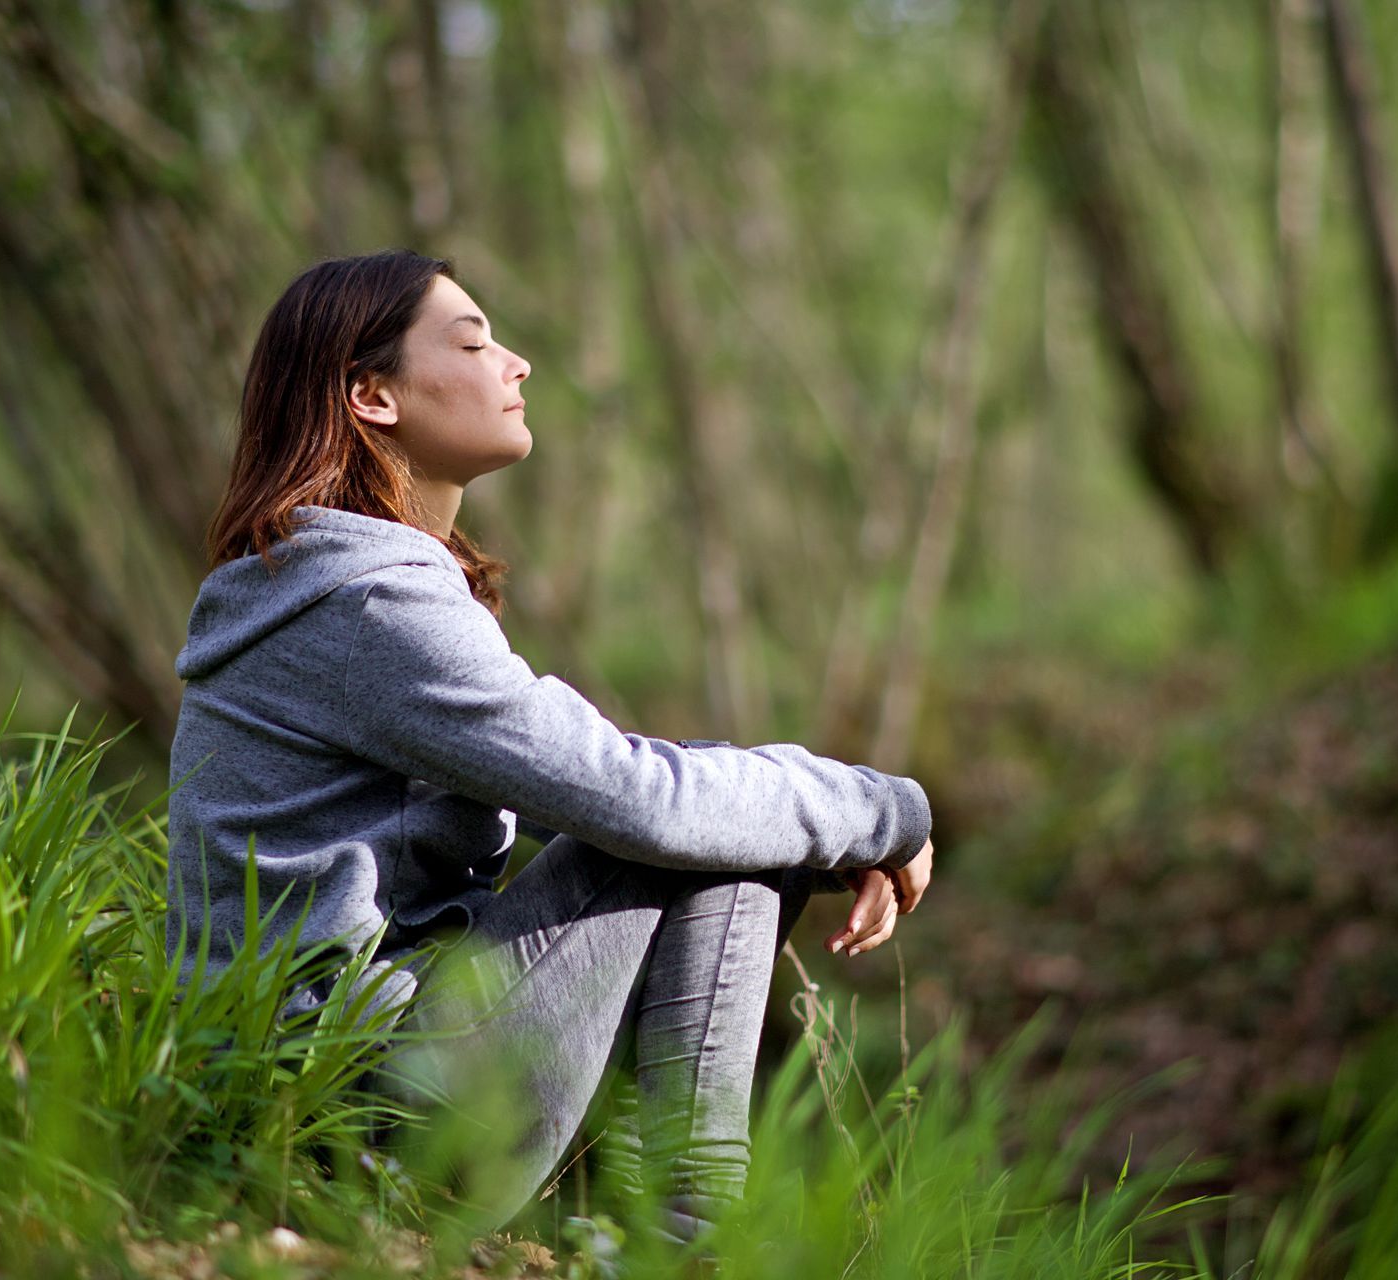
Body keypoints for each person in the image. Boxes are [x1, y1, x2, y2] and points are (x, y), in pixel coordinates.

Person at [164, 248, 935, 1244]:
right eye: (475, 342)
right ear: (372, 396)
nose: (516, 363)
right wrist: (885, 809)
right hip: (364, 1117)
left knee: (716, 808)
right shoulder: (370, 605)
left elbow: (624, 787)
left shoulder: (326, 586)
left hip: (324, 1097)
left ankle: (691, 1230)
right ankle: (696, 1237)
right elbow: (639, 801)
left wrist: (825, 831)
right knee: (686, 818)